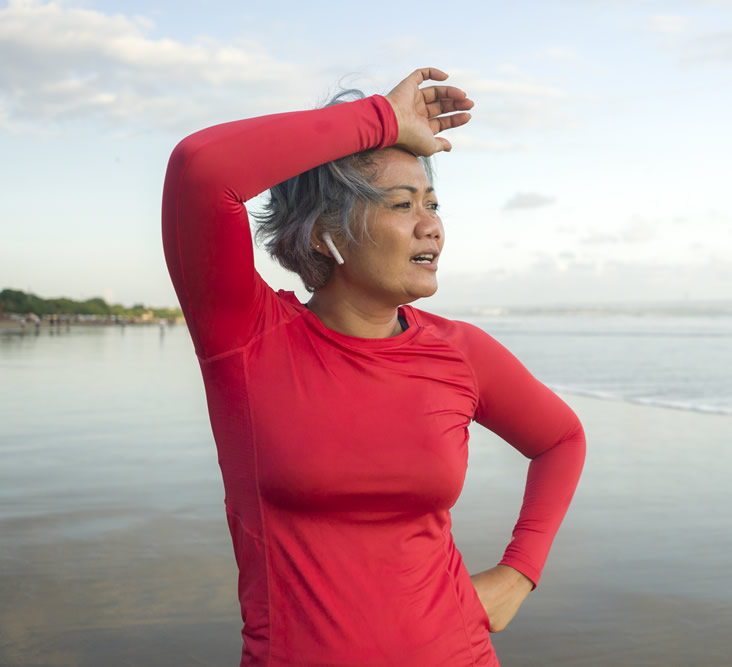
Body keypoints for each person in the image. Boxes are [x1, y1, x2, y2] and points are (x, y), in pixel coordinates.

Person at [161, 67, 585, 666]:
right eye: (401, 204)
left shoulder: (460, 352)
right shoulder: (247, 339)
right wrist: (382, 119)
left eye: (433, 203)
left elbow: (562, 439)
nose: (431, 224)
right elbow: (201, 169)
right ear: (325, 232)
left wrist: (520, 572)